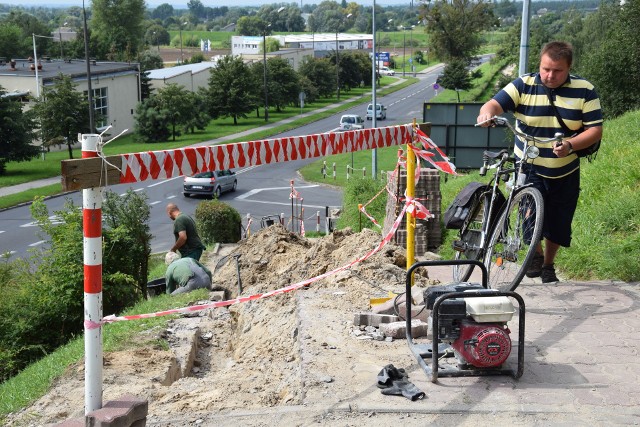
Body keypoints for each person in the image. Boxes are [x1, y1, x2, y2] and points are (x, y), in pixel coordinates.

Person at [477, 41, 603, 283]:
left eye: (557, 71)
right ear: (539, 65)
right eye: (545, 69)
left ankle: (548, 264)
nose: (549, 75)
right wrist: (487, 113)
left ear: (569, 68)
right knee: (528, 213)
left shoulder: (585, 90)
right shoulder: (524, 84)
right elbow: (494, 103)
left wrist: (570, 145)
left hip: (565, 168)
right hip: (528, 164)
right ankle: (534, 254)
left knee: (559, 221)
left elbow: (595, 130)